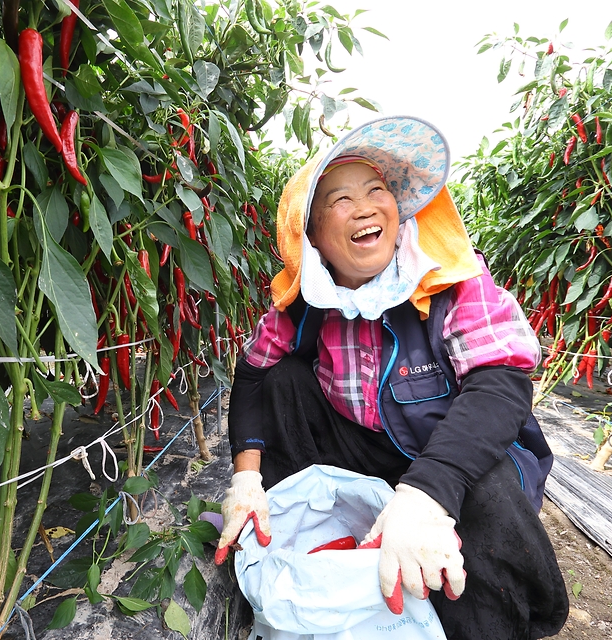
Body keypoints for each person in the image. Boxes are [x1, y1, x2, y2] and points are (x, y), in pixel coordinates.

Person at [215, 116, 569, 639]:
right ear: (310, 237)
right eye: (338, 200)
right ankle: (304, 539)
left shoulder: (447, 283)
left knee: (489, 497)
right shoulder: (308, 305)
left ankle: (489, 616)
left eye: (375, 190)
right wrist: (246, 475)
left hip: (453, 455)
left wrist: (426, 493)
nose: (362, 207)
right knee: (286, 378)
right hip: (363, 448)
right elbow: (252, 375)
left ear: (398, 211)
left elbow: (501, 381)